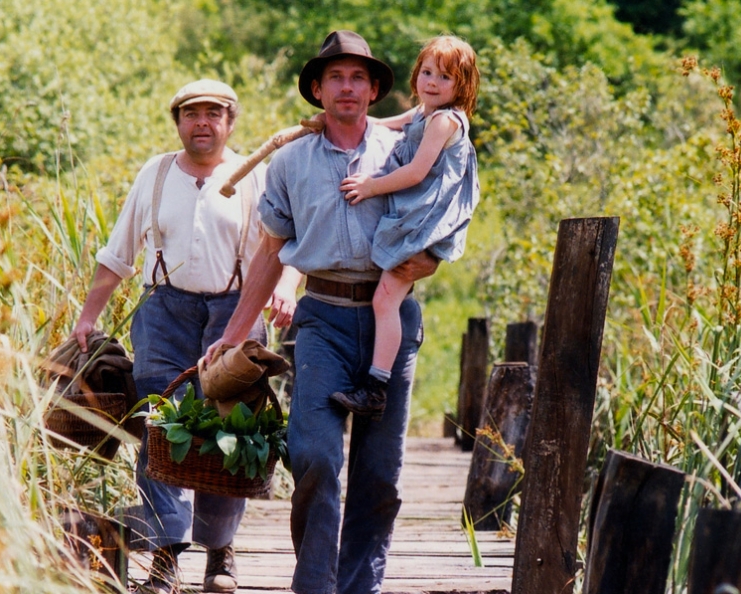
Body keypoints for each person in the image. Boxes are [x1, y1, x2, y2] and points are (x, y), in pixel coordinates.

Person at [205, 31, 440, 593]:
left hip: (391, 320)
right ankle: (314, 584)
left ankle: (360, 585)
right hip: (323, 320)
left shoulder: (404, 153)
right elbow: (270, 252)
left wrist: (429, 259)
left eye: (359, 77)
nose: (348, 87)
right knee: (312, 454)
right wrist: (235, 335)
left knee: (379, 474)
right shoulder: (289, 163)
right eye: (336, 76)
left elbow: (441, 216)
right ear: (317, 88)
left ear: (375, 89)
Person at [69, 79, 301, 594]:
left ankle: (221, 553)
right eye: (192, 113)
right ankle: (167, 557)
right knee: (158, 425)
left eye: (213, 113)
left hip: (235, 314)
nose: (202, 122)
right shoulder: (154, 174)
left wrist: (285, 286)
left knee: (230, 431)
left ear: (229, 122)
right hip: (164, 311)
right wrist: (88, 317)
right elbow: (117, 255)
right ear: (177, 122)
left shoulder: (256, 175)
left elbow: (286, 246)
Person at [330, 35, 480, 421]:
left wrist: (370, 186)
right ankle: (374, 382)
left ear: (461, 85)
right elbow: (383, 123)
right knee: (386, 298)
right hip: (413, 215)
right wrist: (337, 120)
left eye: (444, 77)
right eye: (427, 72)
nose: (432, 82)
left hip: (424, 219)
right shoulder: (423, 112)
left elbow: (415, 173)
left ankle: (376, 386)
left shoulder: (445, 120)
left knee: (385, 300)